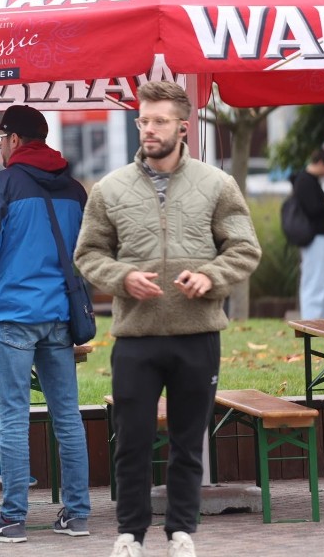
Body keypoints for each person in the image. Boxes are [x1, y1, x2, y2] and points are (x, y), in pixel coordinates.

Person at [74, 81, 262, 557]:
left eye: (159, 121)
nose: (149, 129)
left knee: (187, 442)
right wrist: (121, 277)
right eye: (143, 120)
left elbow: (244, 248)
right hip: (135, 338)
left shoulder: (217, 184)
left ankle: (181, 532)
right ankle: (129, 536)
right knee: (131, 443)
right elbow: (89, 253)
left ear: (183, 126)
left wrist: (210, 277)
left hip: (196, 336)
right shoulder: (110, 189)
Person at [0, 105, 91, 543]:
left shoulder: (1, 186)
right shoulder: (75, 191)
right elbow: (86, 254)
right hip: (60, 315)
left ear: (15, 140)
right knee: (67, 417)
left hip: (14, 316)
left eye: (0, 138)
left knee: (14, 417)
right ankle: (77, 516)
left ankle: (13, 518)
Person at [291, 146, 324, 319]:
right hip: (315, 239)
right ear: (320, 162)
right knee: (315, 282)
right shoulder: (304, 180)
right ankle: (312, 321)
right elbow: (312, 209)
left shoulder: (313, 180)